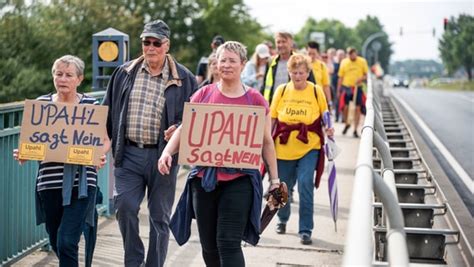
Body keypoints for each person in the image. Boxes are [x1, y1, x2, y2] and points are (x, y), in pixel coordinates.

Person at [158, 41, 280, 267]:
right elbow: (185, 128)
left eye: (232, 60)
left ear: (243, 64)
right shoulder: (203, 94)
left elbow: (266, 142)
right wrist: (167, 152)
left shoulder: (255, 100)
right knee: (209, 246)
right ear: (216, 64)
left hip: (239, 180)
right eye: (222, 60)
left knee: (228, 242)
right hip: (204, 181)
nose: (226, 65)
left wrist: (274, 180)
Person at [103, 20, 198, 267]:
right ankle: (133, 261)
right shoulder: (123, 73)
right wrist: (96, 150)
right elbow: (105, 113)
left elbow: (193, 120)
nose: (151, 47)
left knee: (159, 218)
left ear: (167, 45)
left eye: (157, 43)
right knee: (124, 207)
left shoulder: (185, 79)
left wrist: (177, 128)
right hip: (129, 154)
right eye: (147, 42)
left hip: (162, 157)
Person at [12, 55, 109, 267]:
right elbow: (31, 143)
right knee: (56, 240)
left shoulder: (89, 104)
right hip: (49, 183)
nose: (63, 79)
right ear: (53, 76)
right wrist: (23, 154)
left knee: (67, 241)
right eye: (58, 74)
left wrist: (99, 154)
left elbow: (104, 140)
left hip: (82, 184)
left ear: (79, 79)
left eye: (68, 75)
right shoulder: (41, 105)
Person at [270, 54, 334, 245]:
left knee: (306, 183)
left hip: (310, 145)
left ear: (308, 73)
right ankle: (282, 218)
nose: (297, 76)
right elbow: (272, 118)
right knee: (283, 186)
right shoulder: (281, 91)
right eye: (294, 72)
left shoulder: (316, 91)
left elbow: (325, 113)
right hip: (283, 146)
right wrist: (265, 140)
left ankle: (305, 229)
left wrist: (329, 128)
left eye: (301, 73)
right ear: (289, 72)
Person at [262, 32, 315, 104]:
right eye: (278, 42)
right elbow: (265, 85)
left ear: (291, 44)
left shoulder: (301, 60)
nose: (281, 45)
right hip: (274, 105)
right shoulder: (271, 61)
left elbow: (312, 83)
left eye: (284, 42)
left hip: (295, 105)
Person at [337, 47, 369, 137]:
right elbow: (340, 76)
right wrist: (339, 89)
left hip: (357, 87)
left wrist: (360, 79)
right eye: (350, 54)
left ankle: (355, 129)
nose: (352, 55)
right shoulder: (344, 62)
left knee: (357, 108)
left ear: (356, 53)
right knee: (345, 107)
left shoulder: (362, 61)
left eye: (353, 53)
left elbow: (366, 75)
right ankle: (347, 123)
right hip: (346, 87)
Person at [306, 41, 332, 108]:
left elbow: (326, 85)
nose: (311, 56)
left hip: (317, 98)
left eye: (314, 54)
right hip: (304, 98)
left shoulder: (322, 66)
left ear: (318, 53)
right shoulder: (302, 64)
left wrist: (329, 102)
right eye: (309, 53)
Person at [331, 49, 345, 121]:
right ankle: (336, 117)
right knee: (336, 100)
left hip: (343, 84)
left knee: (343, 100)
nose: (340, 56)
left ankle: (343, 117)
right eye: (339, 55)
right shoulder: (334, 63)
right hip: (334, 84)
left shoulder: (345, 64)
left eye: (342, 55)